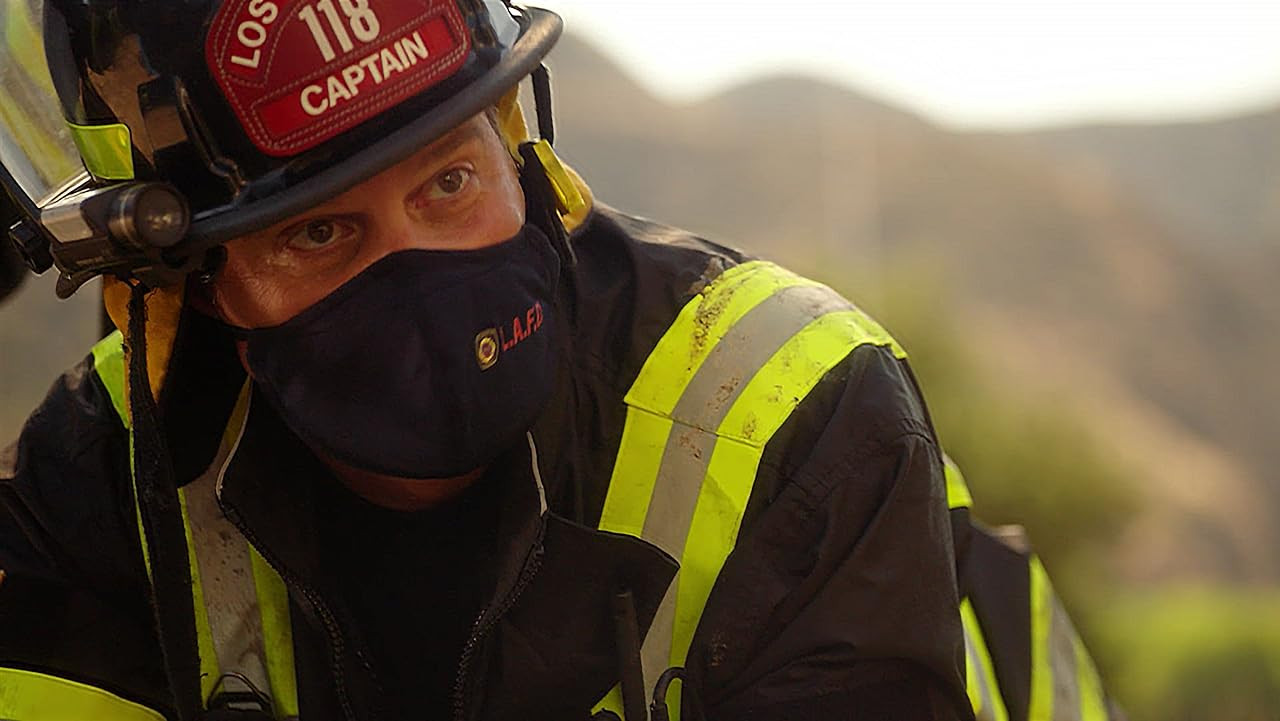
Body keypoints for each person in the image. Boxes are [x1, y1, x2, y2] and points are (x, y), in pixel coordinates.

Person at [0, 2, 1120, 720]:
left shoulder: (792, 408)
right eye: (320, 231)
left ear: (521, 149)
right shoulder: (102, 478)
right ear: (197, 285)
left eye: (449, 181)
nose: (417, 272)